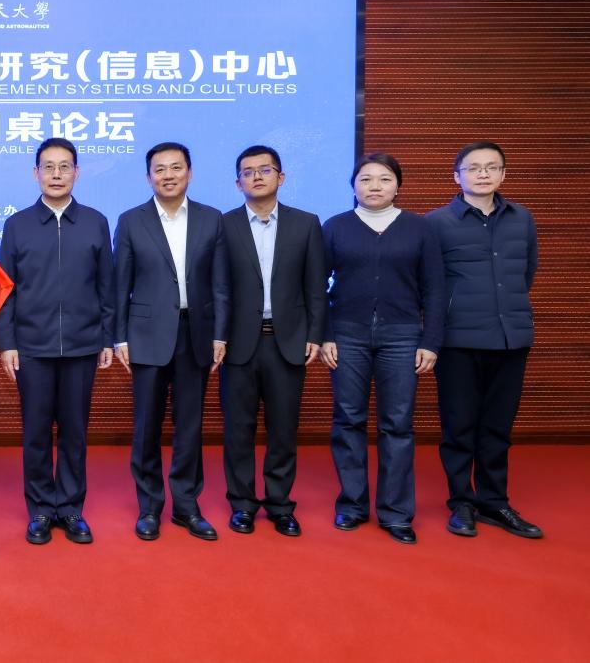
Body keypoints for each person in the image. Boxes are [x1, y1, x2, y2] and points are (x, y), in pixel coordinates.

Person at [321, 152, 445, 544]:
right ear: (353, 186)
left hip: (403, 336)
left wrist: (430, 341)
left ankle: (396, 513)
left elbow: (435, 289)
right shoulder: (335, 227)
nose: (375, 186)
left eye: (385, 178)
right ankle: (352, 505)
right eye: (366, 179)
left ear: (398, 185)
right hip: (347, 335)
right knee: (348, 420)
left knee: (398, 424)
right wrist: (325, 334)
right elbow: (315, 286)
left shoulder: (419, 228)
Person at [0, 138, 114, 545]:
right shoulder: (17, 225)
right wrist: (7, 343)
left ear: (77, 172)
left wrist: (107, 338)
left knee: (74, 433)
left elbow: (107, 286)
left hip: (82, 346)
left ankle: (71, 508)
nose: (57, 174)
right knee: (35, 433)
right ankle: (41, 510)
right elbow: (6, 289)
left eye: (65, 167)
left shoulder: (95, 222)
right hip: (32, 347)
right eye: (49, 167)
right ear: (36, 174)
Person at [114, 142, 229, 542]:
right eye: (159, 169)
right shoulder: (131, 221)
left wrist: (220, 333)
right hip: (146, 335)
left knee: (190, 425)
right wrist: (119, 337)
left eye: (176, 168)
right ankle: (149, 506)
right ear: (149, 177)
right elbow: (120, 284)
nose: (168, 175)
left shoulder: (212, 219)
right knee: (147, 425)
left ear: (189, 173)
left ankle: (186, 506)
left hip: (196, 334)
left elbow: (221, 283)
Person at [427, 141, 543, 539]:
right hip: (458, 340)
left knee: (497, 427)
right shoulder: (436, 222)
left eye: (492, 167)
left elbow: (527, 272)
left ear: (503, 174)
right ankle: (462, 502)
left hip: (511, 338)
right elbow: (430, 283)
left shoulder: (522, 218)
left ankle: (495, 502)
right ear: (456, 176)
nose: (483, 174)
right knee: (459, 426)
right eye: (473, 168)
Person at [219, 145, 325, 537]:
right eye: (248, 172)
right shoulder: (223, 225)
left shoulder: (306, 224)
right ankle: (242, 504)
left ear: (281, 177)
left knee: (283, 430)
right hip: (238, 344)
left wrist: (315, 334)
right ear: (238, 183)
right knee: (238, 430)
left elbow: (316, 287)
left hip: (288, 341)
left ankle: (280, 505)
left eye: (265, 170)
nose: (256, 177)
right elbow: (219, 289)